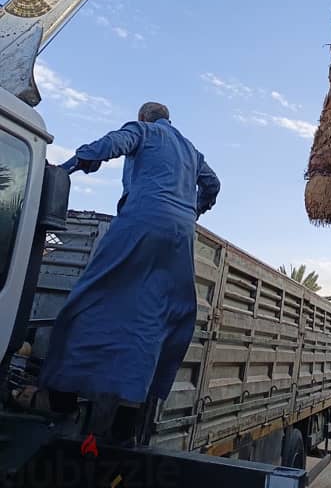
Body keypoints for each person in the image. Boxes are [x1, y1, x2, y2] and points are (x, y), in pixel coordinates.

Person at [13, 101, 220, 438]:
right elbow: (213, 185)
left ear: (143, 117)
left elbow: (110, 144)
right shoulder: (191, 151)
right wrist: (193, 210)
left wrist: (66, 168)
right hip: (181, 236)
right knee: (157, 313)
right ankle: (135, 401)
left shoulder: (143, 131)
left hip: (142, 221)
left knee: (91, 297)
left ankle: (62, 394)